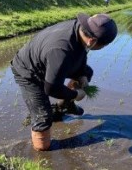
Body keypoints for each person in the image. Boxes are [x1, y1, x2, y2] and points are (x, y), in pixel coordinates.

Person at [10, 13, 118, 151]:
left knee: (87, 72)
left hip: (51, 62)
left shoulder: (81, 30)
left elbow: (81, 52)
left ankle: (64, 106)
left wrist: (82, 75)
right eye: (104, 45)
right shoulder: (61, 51)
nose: (104, 47)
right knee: (43, 118)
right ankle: (41, 156)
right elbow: (51, 88)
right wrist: (75, 94)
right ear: (92, 41)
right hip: (29, 71)